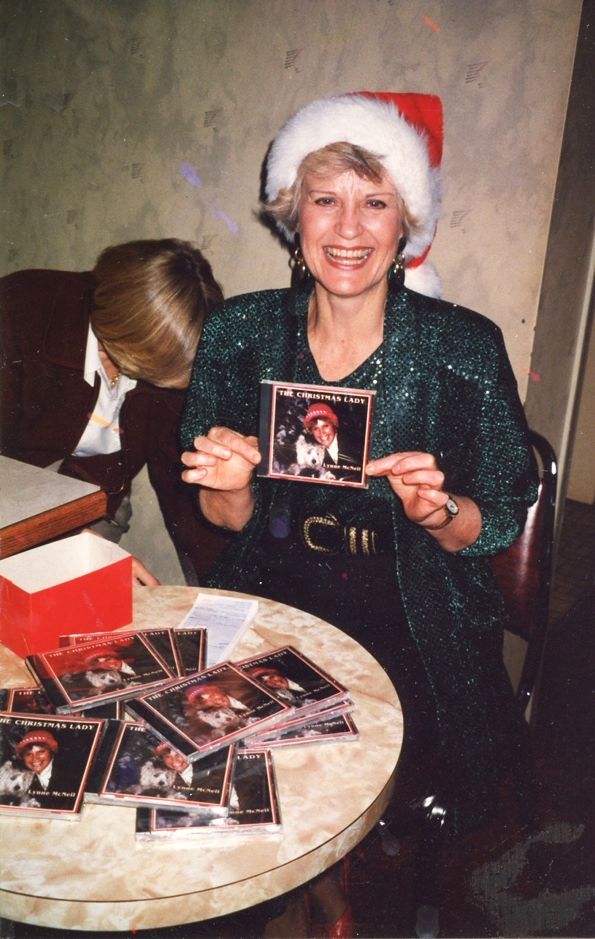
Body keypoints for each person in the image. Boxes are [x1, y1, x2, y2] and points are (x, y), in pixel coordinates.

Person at [180, 92, 538, 937]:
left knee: (309, 767)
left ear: (405, 218)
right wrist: (229, 482)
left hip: (410, 610)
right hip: (273, 587)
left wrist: (437, 508)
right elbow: (226, 520)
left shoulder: (463, 350)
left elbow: (496, 516)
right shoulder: (238, 334)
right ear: (291, 211)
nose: (348, 227)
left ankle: (314, 894)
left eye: (374, 200)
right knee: (188, 748)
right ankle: (296, 895)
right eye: (325, 196)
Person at [0, 238, 226, 585]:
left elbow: (183, 490)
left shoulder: (175, 351)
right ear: (125, 337)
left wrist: (219, 593)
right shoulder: (16, 310)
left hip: (91, 499)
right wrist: (61, 538)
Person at [302, 402, 362, 480]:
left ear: (334, 425)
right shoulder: (315, 451)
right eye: (316, 429)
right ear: (311, 432)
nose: (322, 432)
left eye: (325, 426)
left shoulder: (355, 444)